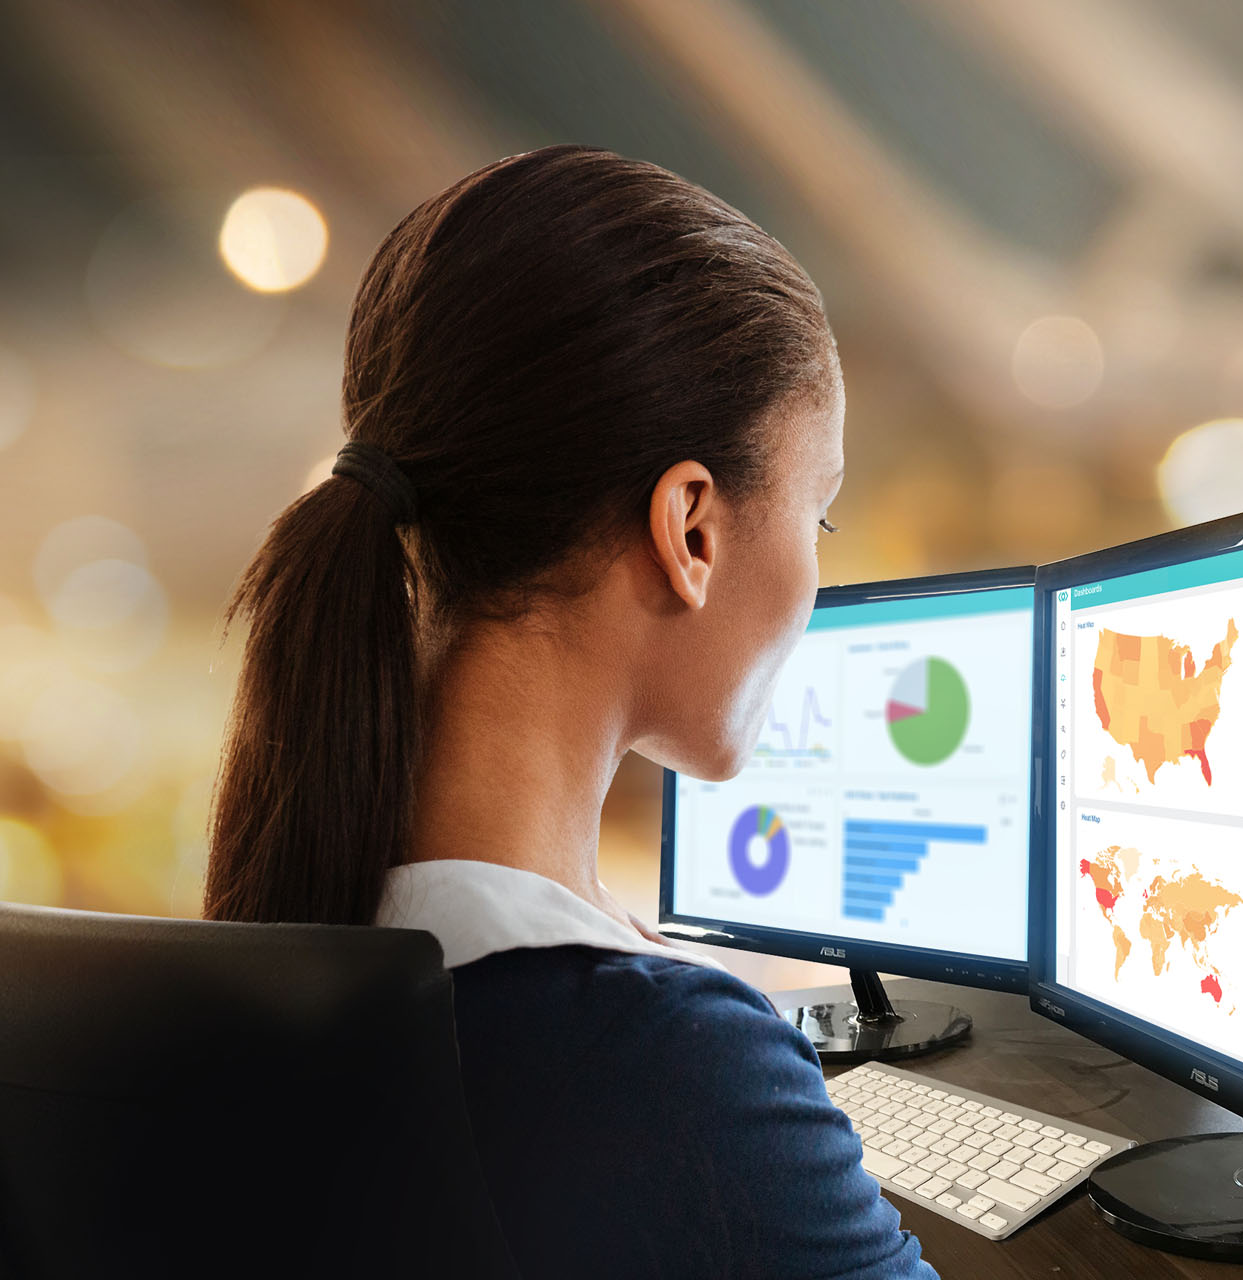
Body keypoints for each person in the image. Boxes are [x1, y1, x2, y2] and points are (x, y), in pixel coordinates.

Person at [203, 145, 937, 1279]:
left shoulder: (304, 944)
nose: (817, 576)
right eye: (819, 514)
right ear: (692, 527)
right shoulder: (668, 1069)